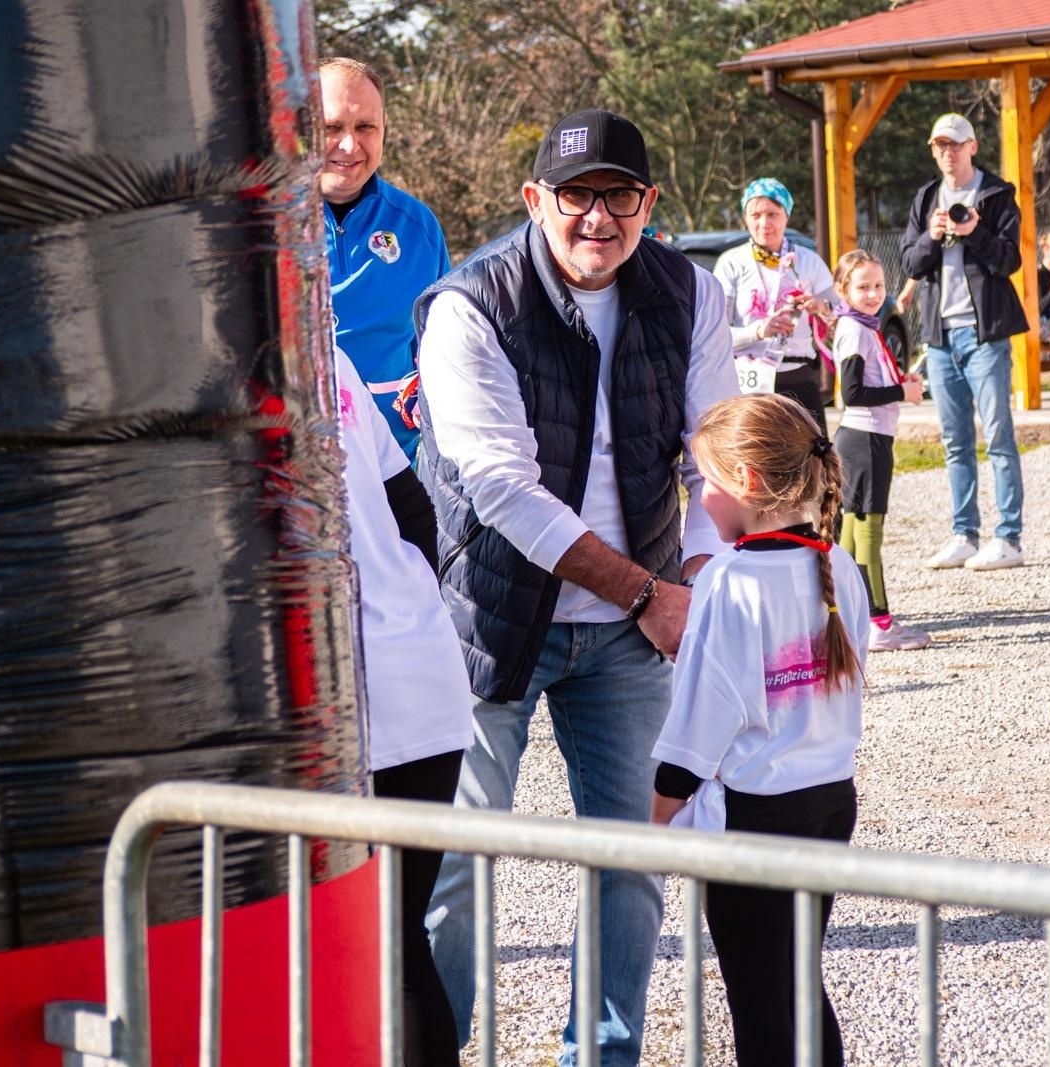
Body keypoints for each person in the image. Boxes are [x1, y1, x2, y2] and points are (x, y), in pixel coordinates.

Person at [413, 108, 737, 1066]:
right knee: (457, 869)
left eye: (619, 196)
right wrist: (653, 593)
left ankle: (601, 1055)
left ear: (649, 203)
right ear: (535, 200)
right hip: (492, 619)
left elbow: (713, 458)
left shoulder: (692, 293)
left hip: (633, 634)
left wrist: (705, 588)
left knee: (631, 863)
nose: (597, 218)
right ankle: (440, 1050)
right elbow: (504, 488)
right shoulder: (469, 305)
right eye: (575, 195)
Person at [649, 392, 868, 1067]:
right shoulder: (841, 569)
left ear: (745, 481)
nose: (700, 499)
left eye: (705, 481)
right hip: (830, 801)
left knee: (759, 997)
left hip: (755, 815)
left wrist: (657, 821)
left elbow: (696, 730)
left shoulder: (729, 581)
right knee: (797, 979)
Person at [334, 346, 473, 1065]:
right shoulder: (328, 353)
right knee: (396, 934)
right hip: (419, 669)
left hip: (353, 691)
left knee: (376, 938)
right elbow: (411, 506)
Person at [901, 112, 1028, 572]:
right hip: (939, 337)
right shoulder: (925, 198)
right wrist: (933, 237)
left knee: (998, 436)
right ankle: (964, 534)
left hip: (985, 332)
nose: (947, 153)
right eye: (939, 146)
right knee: (955, 441)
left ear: (973, 147)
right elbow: (910, 263)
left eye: (955, 145)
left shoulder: (996, 195)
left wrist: (975, 233)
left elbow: (1009, 261)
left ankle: (1009, 537)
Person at [320, 57, 451, 463]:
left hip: (399, 469)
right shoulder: (257, 228)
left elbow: (446, 350)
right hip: (297, 472)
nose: (349, 145)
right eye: (330, 127)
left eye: (365, 127)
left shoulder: (417, 227)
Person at [829, 249, 930, 650]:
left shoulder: (865, 326)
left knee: (853, 532)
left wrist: (898, 381)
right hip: (864, 440)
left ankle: (852, 615)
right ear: (843, 289)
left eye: (878, 286)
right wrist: (901, 391)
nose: (872, 293)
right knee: (868, 533)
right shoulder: (854, 329)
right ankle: (880, 624)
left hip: (866, 439)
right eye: (863, 287)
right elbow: (852, 392)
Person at [714, 178, 838, 431]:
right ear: (745, 218)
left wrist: (821, 307)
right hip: (747, 380)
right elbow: (716, 333)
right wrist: (760, 331)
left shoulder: (809, 262)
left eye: (773, 214)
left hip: (798, 376)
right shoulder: (731, 263)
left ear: (786, 216)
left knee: (815, 462)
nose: (764, 223)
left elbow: (841, 317)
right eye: (755, 214)